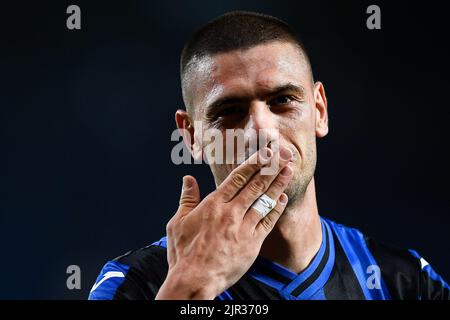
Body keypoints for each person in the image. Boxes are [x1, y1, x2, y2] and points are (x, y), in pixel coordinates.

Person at [88, 11, 449, 300]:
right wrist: (191, 287)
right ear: (192, 136)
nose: (261, 129)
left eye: (282, 101)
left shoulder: (402, 281)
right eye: (229, 110)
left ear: (319, 111)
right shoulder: (136, 285)